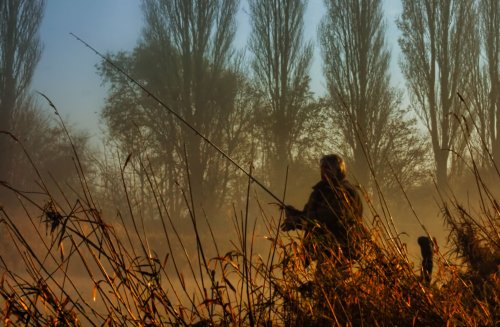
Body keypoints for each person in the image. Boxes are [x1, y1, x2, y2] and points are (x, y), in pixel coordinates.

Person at [281, 154, 364, 265]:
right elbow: (310, 217)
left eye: (328, 167)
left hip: (342, 251)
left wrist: (299, 219)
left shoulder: (345, 192)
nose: (324, 171)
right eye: (322, 167)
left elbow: (332, 215)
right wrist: (295, 216)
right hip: (326, 251)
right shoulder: (320, 191)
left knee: (330, 281)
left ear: (339, 170)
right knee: (322, 281)